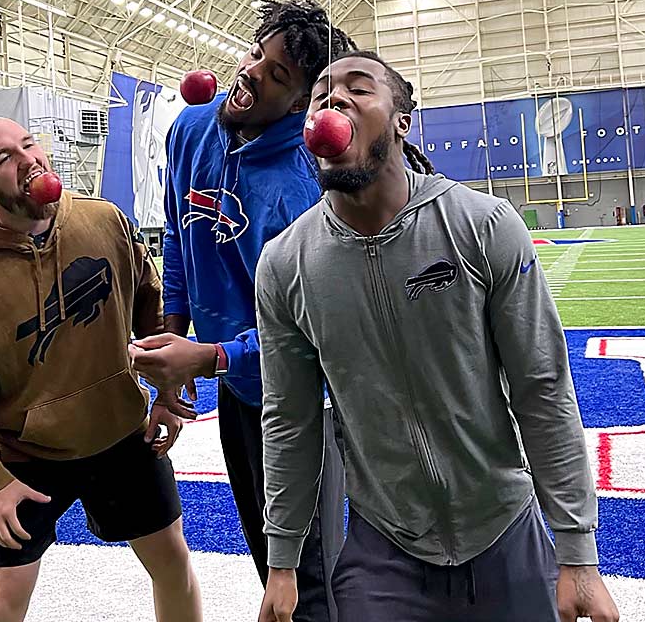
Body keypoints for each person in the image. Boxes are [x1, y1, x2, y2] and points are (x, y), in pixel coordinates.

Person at [255, 51, 621, 622]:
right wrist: (283, 563)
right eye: (322, 94)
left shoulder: (484, 225)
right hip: (383, 550)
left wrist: (577, 552)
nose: (334, 102)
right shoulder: (284, 264)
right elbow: (290, 417)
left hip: (503, 531)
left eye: (358, 88)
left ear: (402, 119)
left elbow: (542, 388)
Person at [128, 0, 355, 622]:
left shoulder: (308, 187)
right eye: (257, 55)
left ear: (305, 104)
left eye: (278, 75)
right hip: (237, 389)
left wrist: (205, 356)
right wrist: (172, 380)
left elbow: (313, 333)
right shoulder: (191, 128)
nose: (253, 72)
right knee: (267, 558)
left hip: (306, 401)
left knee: (314, 578)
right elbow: (177, 239)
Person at [0, 117, 202, 622]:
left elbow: (153, 315)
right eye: (4, 158)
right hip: (23, 457)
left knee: (173, 563)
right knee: (3, 600)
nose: (28, 160)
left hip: (121, 435)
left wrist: (165, 393)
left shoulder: (104, 221)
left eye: (28, 144)